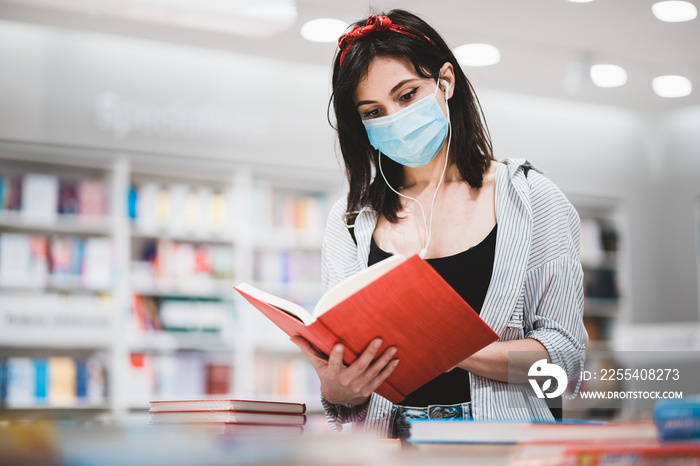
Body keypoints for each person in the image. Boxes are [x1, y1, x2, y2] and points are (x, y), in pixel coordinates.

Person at [290, 9, 588, 438]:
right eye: (373, 111)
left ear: (445, 81)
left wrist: (445, 346)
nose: (393, 117)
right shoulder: (350, 220)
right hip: (387, 444)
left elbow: (566, 359)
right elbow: (348, 401)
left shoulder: (532, 201)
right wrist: (341, 389)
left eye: (407, 95)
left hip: (503, 445)